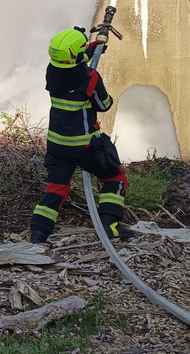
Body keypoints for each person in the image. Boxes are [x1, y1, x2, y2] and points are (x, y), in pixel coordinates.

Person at [29, 26, 132, 244]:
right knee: (116, 178)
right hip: (85, 147)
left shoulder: (52, 71)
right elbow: (104, 105)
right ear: (77, 55)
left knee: (57, 188)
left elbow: (72, 63)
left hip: (57, 146)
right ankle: (109, 226)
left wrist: (92, 49)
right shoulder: (90, 77)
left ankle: (38, 234)